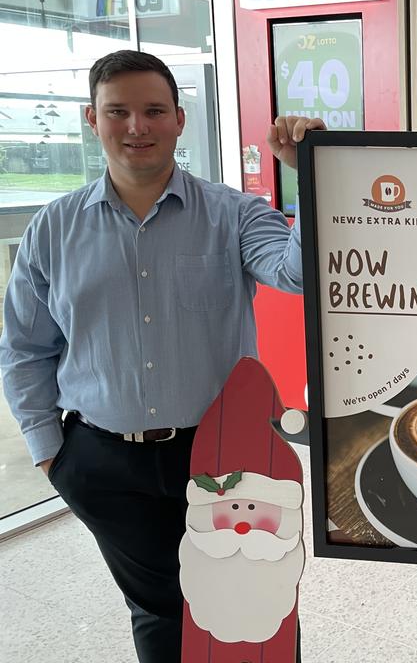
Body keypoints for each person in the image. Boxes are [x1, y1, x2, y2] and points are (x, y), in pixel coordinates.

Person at [0, 50, 324, 663]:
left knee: (256, 605)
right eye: (117, 111)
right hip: (103, 461)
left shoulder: (232, 213)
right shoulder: (51, 229)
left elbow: (295, 274)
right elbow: (23, 348)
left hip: (226, 455)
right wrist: (50, 453)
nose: (136, 127)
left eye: (153, 111)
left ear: (179, 119)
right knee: (159, 612)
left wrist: (309, 175)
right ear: (91, 122)